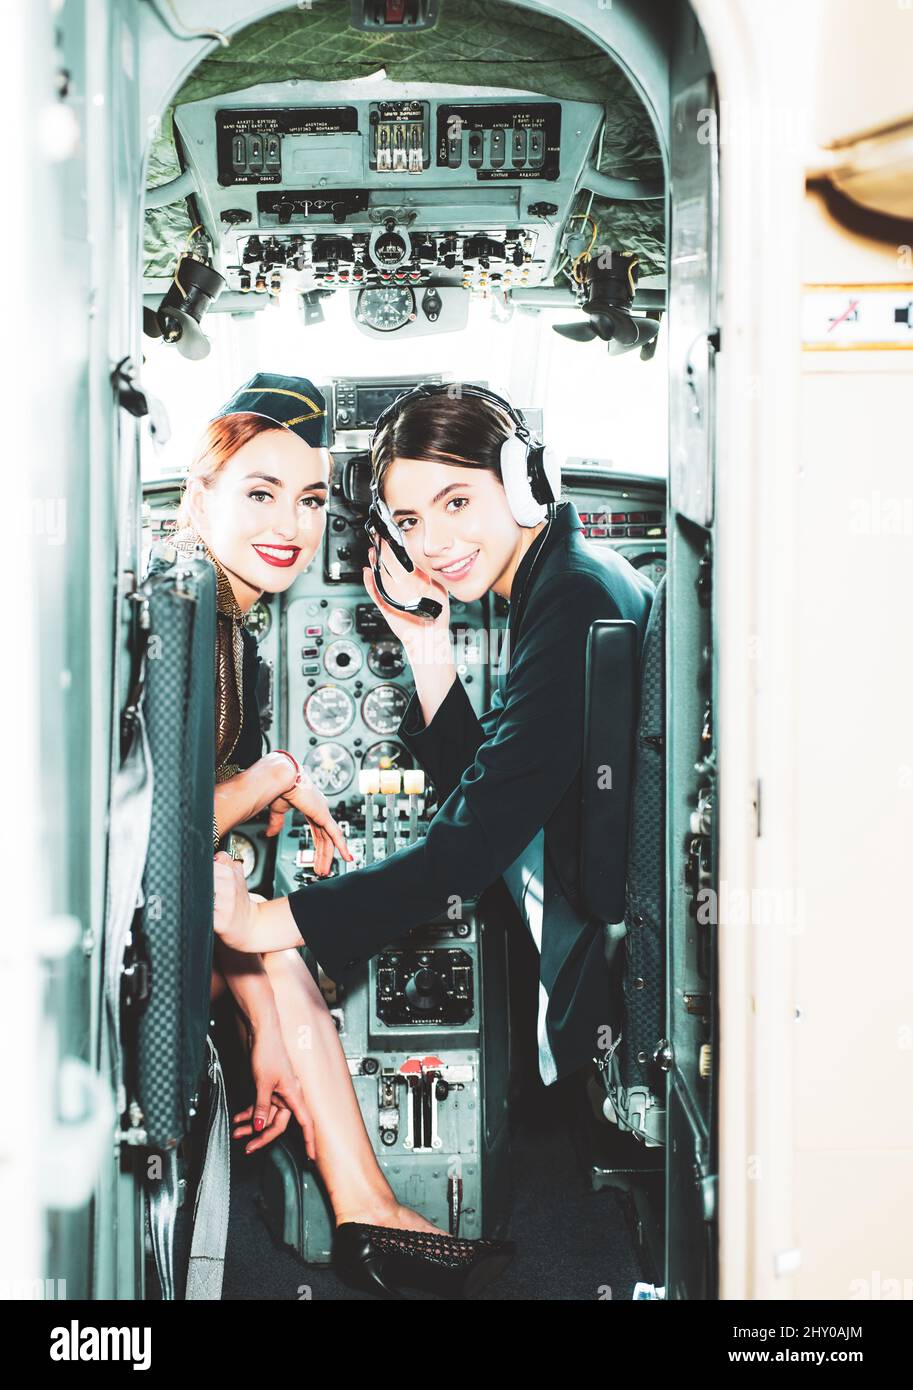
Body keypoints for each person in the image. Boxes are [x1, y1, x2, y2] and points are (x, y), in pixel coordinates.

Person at [213, 383, 654, 1095]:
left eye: (457, 502)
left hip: (595, 947)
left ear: (523, 483)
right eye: (411, 520)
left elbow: (468, 847)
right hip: (585, 912)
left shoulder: (571, 599)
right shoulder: (569, 578)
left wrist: (267, 921)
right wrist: (426, 645)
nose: (435, 545)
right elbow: (493, 795)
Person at [178, 373, 513, 1299]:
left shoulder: (216, 612)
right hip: (138, 921)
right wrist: (278, 779)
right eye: (259, 492)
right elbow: (151, 831)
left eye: (314, 498)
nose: (291, 521)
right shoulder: (192, 620)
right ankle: (369, 1211)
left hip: (175, 909)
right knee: (275, 952)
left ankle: (368, 1209)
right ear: (197, 494)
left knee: (272, 954)